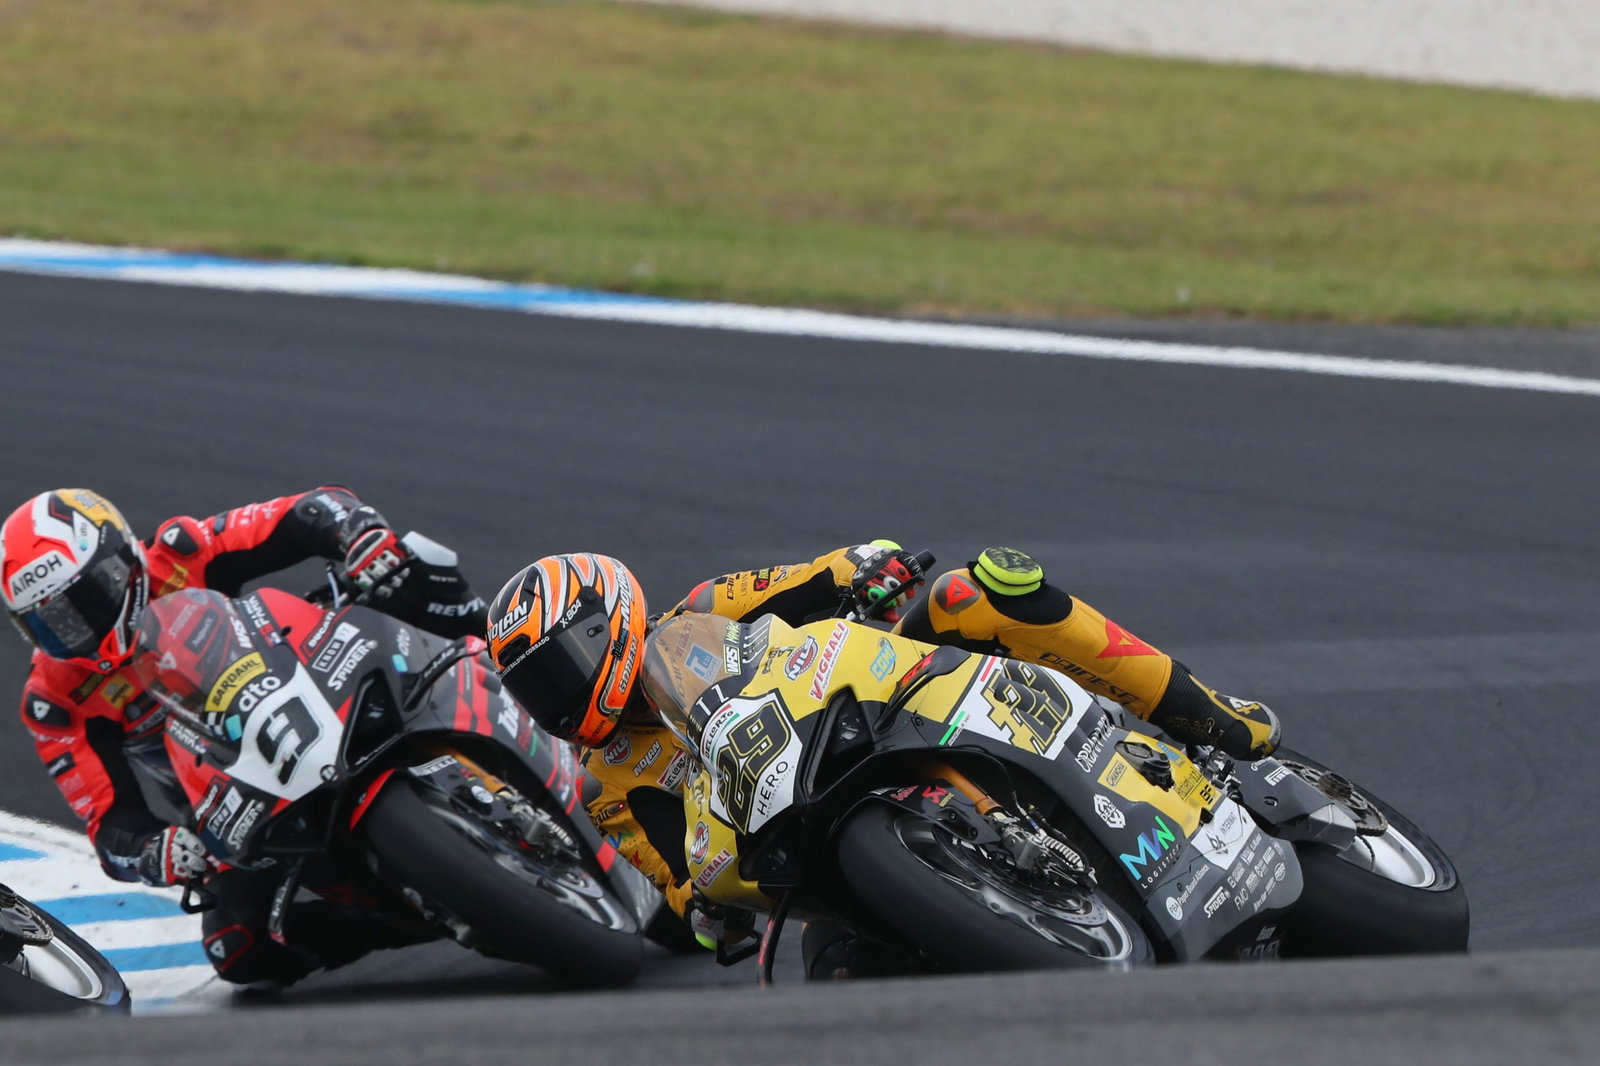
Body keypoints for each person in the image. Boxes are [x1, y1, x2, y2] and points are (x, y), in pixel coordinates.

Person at [483, 543, 1280, 970]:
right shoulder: (607, 787)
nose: (559, 699)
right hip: (805, 845)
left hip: (867, 708)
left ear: (611, 621)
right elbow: (679, 883)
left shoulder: (706, 605)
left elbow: (823, 574)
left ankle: (1209, 714)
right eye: (536, 690)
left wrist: (869, 570)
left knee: (983, 590)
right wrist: (705, 911)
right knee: (837, 979)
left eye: (564, 665)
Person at [1, 486, 487, 986]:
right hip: (231, 798)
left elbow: (307, 512)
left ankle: (518, 661)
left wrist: (359, 535)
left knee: (411, 567)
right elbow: (109, 823)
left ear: (122, 561)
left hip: (310, 679)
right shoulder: (56, 701)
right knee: (237, 949)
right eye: (49, 620)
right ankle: (412, 921)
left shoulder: (179, 552)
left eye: (85, 598)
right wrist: (153, 849)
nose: (75, 626)